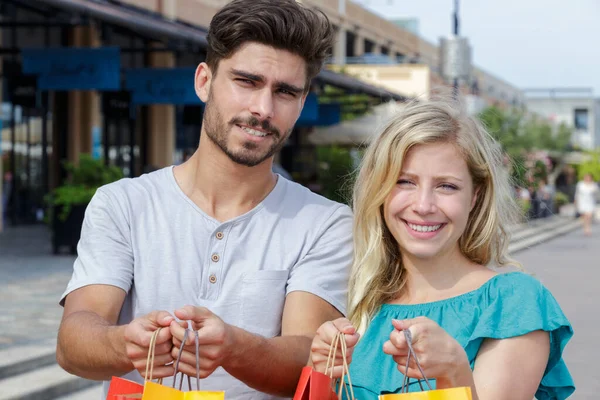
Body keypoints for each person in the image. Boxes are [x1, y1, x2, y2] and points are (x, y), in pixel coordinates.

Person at [56, 1, 352, 399]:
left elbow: (306, 360)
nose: (262, 109)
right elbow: (73, 341)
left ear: (301, 103)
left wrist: (232, 345)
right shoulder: (123, 203)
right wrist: (127, 342)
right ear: (204, 81)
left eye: (284, 92)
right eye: (246, 81)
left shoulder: (326, 222)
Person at [309, 96, 575, 399]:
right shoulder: (355, 296)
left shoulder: (512, 304)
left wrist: (454, 372)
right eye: (405, 182)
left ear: (475, 196)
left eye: (446, 186)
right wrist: (319, 371)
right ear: (378, 190)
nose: (423, 206)